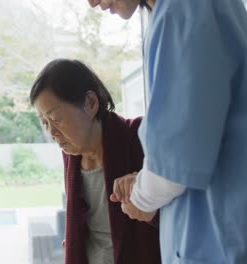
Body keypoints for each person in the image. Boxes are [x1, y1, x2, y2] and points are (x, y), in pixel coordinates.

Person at [88, 0, 247, 263]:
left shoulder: (184, 11)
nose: (91, 2)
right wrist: (147, 182)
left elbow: (172, 170)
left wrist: (141, 197)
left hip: (233, 246)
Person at [29, 58, 161, 264]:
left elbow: (185, 213)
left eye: (55, 118)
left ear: (90, 103)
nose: (52, 132)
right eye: (44, 122)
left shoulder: (142, 138)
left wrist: (150, 199)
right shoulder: (72, 155)